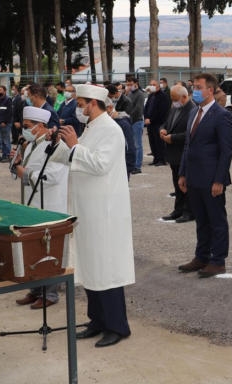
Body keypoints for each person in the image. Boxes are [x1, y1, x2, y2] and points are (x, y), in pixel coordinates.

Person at [51, 84, 135, 348]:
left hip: (104, 211)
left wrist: (74, 146)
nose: (77, 108)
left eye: (80, 103)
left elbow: (99, 164)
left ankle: (117, 326)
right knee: (89, 267)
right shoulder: (90, 128)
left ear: (93, 104)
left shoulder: (111, 130)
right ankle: (97, 320)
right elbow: (78, 159)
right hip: (86, 209)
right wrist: (60, 146)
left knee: (106, 269)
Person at [177, 73, 232, 278]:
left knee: (216, 220)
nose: (195, 91)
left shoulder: (221, 115)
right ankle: (201, 256)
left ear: (210, 90)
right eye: (194, 87)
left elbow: (226, 150)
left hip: (211, 178)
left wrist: (219, 179)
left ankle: (218, 260)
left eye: (199, 87)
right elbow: (187, 146)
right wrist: (183, 173)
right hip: (194, 176)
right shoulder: (194, 112)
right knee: (201, 219)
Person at [12, 106, 69, 309]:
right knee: (34, 249)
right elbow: (21, 171)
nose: (24, 130)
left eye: (27, 126)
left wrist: (24, 173)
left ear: (41, 126)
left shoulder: (57, 147)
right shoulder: (29, 145)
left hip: (49, 204)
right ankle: (35, 290)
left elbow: (52, 177)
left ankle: (50, 295)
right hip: (32, 204)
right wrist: (16, 163)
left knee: (48, 250)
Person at [160, 85, 195, 223]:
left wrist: (173, 138)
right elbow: (167, 123)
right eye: (172, 99)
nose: (173, 102)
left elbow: (191, 133)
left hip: (183, 153)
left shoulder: (192, 110)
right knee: (176, 182)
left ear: (184, 97)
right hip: (173, 153)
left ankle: (189, 211)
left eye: (175, 99)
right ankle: (178, 209)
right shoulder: (174, 108)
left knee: (185, 183)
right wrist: (163, 129)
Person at [144, 80, 170, 166]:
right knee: (152, 142)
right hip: (150, 123)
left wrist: (151, 119)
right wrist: (146, 117)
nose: (152, 86)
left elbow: (162, 111)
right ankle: (155, 158)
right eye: (151, 84)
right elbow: (146, 107)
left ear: (158, 86)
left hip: (159, 123)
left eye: (154, 85)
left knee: (159, 142)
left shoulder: (163, 96)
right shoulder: (151, 95)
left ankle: (162, 159)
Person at [125, 77, 145, 174]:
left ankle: (137, 166)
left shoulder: (140, 94)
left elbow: (138, 109)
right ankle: (132, 164)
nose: (129, 86)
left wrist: (129, 116)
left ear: (136, 83)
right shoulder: (129, 94)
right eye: (127, 84)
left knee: (138, 145)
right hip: (130, 121)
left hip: (136, 121)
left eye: (130, 84)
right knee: (131, 145)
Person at [0, 86, 13, 162]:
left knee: (6, 140)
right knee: (1, 140)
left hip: (5, 123)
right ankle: (4, 155)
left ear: (5, 91)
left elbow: (9, 112)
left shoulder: (8, 100)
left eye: (0, 90)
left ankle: (8, 155)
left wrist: (4, 122)